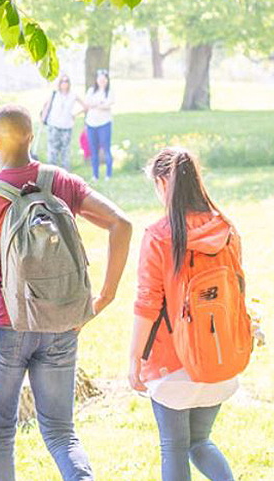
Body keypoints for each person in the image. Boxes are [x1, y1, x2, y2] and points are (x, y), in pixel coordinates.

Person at [0, 105, 133, 481]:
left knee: (0, 432)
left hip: (8, 329)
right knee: (60, 432)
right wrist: (103, 298)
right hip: (62, 325)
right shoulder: (62, 183)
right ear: (31, 137)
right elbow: (121, 223)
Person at [128, 148, 251, 481]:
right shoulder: (225, 228)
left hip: (172, 368)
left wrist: (134, 360)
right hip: (220, 361)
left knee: (174, 447)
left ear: (164, 182)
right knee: (200, 442)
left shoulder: (159, 235)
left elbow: (147, 305)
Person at [39, 74, 81, 170]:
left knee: (65, 151)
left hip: (67, 126)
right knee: (52, 151)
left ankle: (65, 174)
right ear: (59, 83)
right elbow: (47, 107)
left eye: (66, 81)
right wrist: (43, 119)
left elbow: (85, 106)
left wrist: (74, 114)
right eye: (62, 81)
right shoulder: (54, 94)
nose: (64, 83)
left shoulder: (73, 95)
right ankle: (52, 173)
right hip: (54, 125)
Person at [83, 69, 115, 181]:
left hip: (104, 124)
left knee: (106, 149)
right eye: (99, 79)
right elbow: (86, 104)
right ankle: (95, 175)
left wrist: (96, 104)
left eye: (103, 79)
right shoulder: (91, 90)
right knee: (93, 149)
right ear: (96, 80)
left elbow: (107, 105)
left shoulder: (109, 92)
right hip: (91, 124)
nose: (101, 81)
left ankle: (108, 175)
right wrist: (99, 103)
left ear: (107, 80)